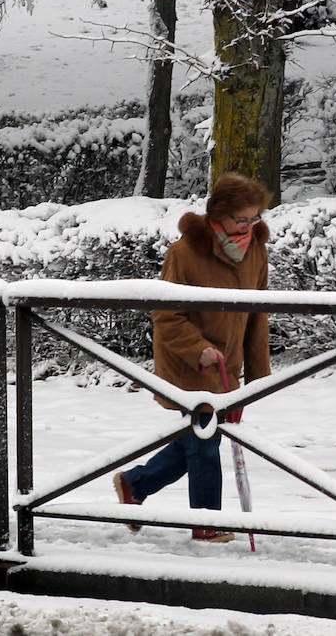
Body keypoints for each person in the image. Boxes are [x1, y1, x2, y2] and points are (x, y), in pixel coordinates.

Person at [114, 172, 271, 543]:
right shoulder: (184, 253)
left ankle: (135, 484)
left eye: (255, 219)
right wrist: (198, 349)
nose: (248, 227)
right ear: (218, 214)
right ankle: (206, 522)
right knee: (203, 440)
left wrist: (259, 374)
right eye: (241, 219)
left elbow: (257, 315)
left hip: (227, 365)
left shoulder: (256, 252)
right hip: (188, 362)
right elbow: (166, 314)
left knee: (197, 438)